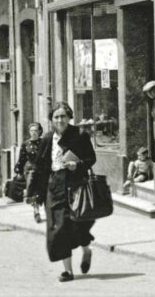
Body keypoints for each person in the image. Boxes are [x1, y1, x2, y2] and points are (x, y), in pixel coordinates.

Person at [29, 102, 97, 282]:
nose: (60, 120)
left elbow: (91, 158)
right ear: (51, 120)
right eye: (56, 117)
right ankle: (68, 270)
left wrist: (77, 165)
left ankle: (86, 249)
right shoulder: (47, 138)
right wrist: (35, 192)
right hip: (54, 186)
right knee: (58, 229)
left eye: (63, 116)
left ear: (69, 117)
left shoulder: (80, 135)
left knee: (77, 225)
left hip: (75, 185)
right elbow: (40, 167)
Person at [15, 122, 44, 223]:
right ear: (29, 132)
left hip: (42, 170)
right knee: (33, 190)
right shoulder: (25, 144)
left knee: (41, 190)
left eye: (36, 130)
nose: (34, 133)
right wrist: (18, 170)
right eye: (32, 131)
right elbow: (21, 158)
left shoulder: (43, 142)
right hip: (30, 169)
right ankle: (36, 211)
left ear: (39, 131)